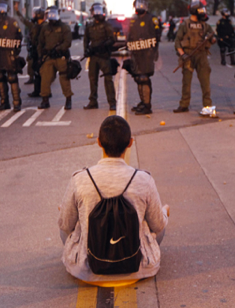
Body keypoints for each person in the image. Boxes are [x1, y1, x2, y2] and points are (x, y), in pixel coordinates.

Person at [58, 115, 169, 285]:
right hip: (138, 269)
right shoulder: (143, 179)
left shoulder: (80, 179)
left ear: (99, 142)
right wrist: (164, 212)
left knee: (68, 220)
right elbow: (158, 226)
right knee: (157, 218)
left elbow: (65, 225)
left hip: (86, 271)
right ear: (130, 143)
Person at [174, 0, 216, 115]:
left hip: (201, 55)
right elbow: (177, 42)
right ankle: (184, 104)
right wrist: (183, 55)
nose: (203, 12)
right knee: (186, 82)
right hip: (188, 55)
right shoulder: (185, 25)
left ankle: (207, 106)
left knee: (205, 82)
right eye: (201, 9)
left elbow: (212, 37)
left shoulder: (204, 25)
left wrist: (212, 39)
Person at [126, 0, 161, 115]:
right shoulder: (134, 19)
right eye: (138, 4)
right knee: (137, 77)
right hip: (136, 53)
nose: (140, 6)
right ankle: (142, 101)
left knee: (144, 78)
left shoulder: (152, 19)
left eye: (142, 4)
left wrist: (154, 51)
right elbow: (130, 36)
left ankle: (147, 105)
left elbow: (157, 35)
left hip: (147, 53)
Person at [0, 1, 24, 112]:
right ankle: (4, 102)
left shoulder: (11, 22)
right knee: (0, 77)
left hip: (8, 53)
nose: (1, 10)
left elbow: (18, 36)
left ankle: (17, 102)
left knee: (12, 78)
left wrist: (15, 50)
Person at [37, 6, 74, 110]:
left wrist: (59, 48)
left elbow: (68, 42)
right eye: (50, 14)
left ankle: (68, 99)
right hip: (48, 57)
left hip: (60, 57)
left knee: (64, 78)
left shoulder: (64, 27)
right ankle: (45, 100)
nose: (52, 16)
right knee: (45, 78)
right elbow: (40, 43)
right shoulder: (45, 28)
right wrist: (40, 56)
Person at [83, 2, 116, 110]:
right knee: (93, 80)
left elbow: (112, 39)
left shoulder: (107, 25)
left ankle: (112, 102)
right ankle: (93, 101)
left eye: (99, 11)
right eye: (95, 11)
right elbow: (86, 40)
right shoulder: (89, 25)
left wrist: (102, 46)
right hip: (93, 56)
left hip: (104, 56)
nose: (97, 13)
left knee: (108, 79)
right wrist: (86, 50)